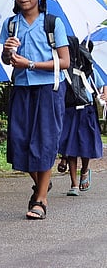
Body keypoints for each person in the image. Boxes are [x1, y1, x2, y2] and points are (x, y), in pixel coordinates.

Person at [0, 0, 69, 220]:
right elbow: (7, 61)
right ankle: (42, 182)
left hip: (48, 90)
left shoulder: (53, 23)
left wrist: (31, 64)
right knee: (19, 143)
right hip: (20, 89)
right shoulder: (11, 24)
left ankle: (40, 199)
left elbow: (65, 61)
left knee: (44, 140)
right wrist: (8, 53)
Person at [59, 42, 105, 196]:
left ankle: (84, 170)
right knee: (71, 147)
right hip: (70, 110)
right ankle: (74, 184)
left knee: (85, 146)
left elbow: (101, 86)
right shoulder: (66, 70)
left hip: (87, 110)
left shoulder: (90, 70)